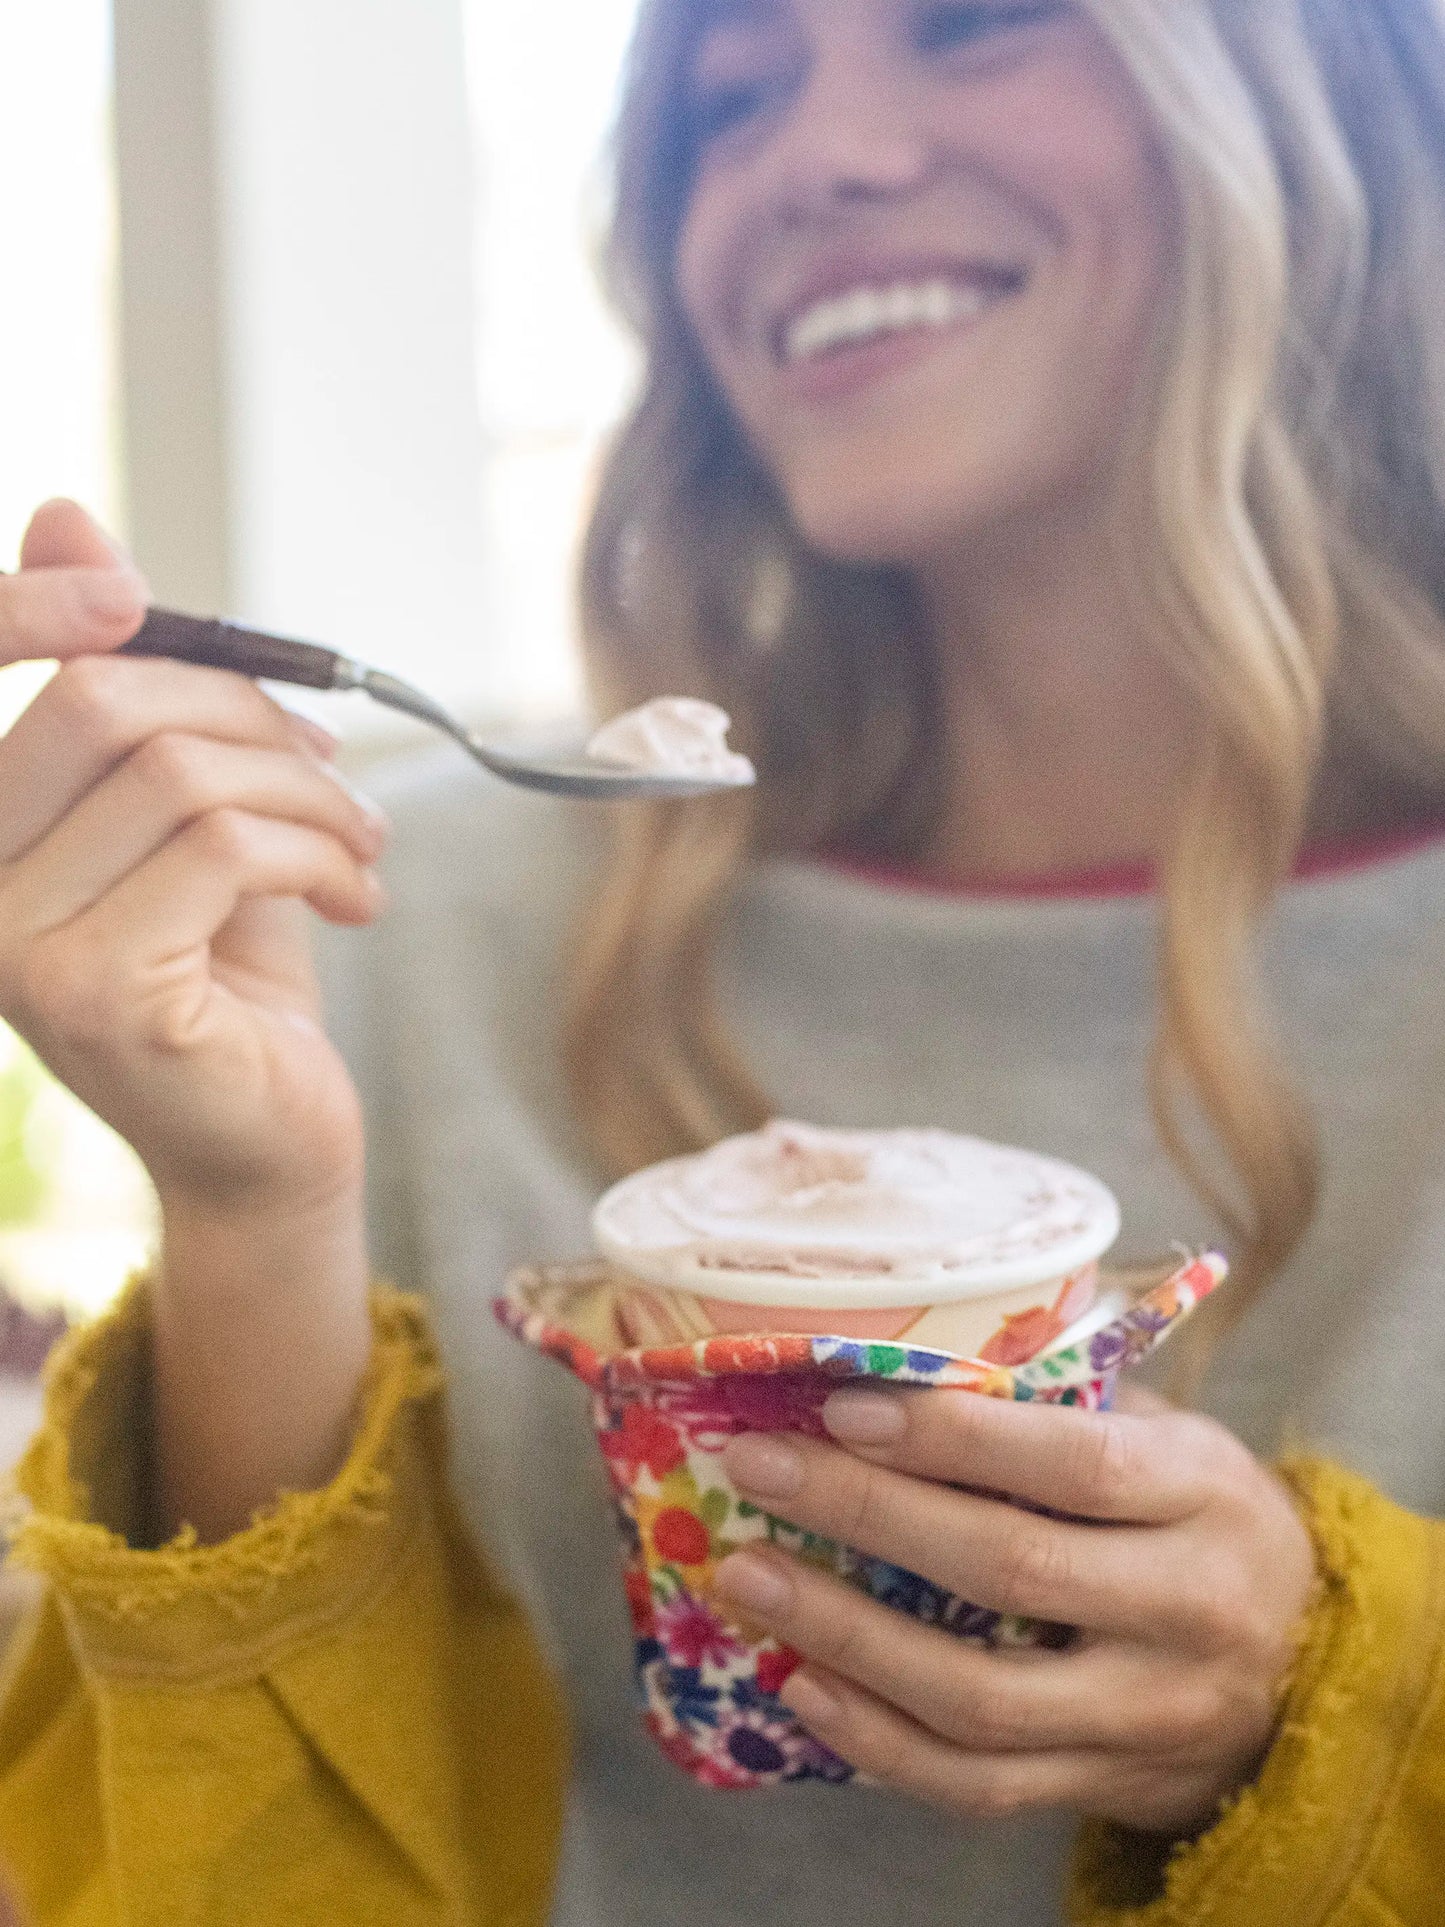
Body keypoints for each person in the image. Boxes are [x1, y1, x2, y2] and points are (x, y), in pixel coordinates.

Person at [1, 0, 1444, 1920]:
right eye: (732, 98)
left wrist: (1336, 1707)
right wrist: (255, 1211)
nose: (815, 158)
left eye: (979, 23)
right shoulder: (397, 928)